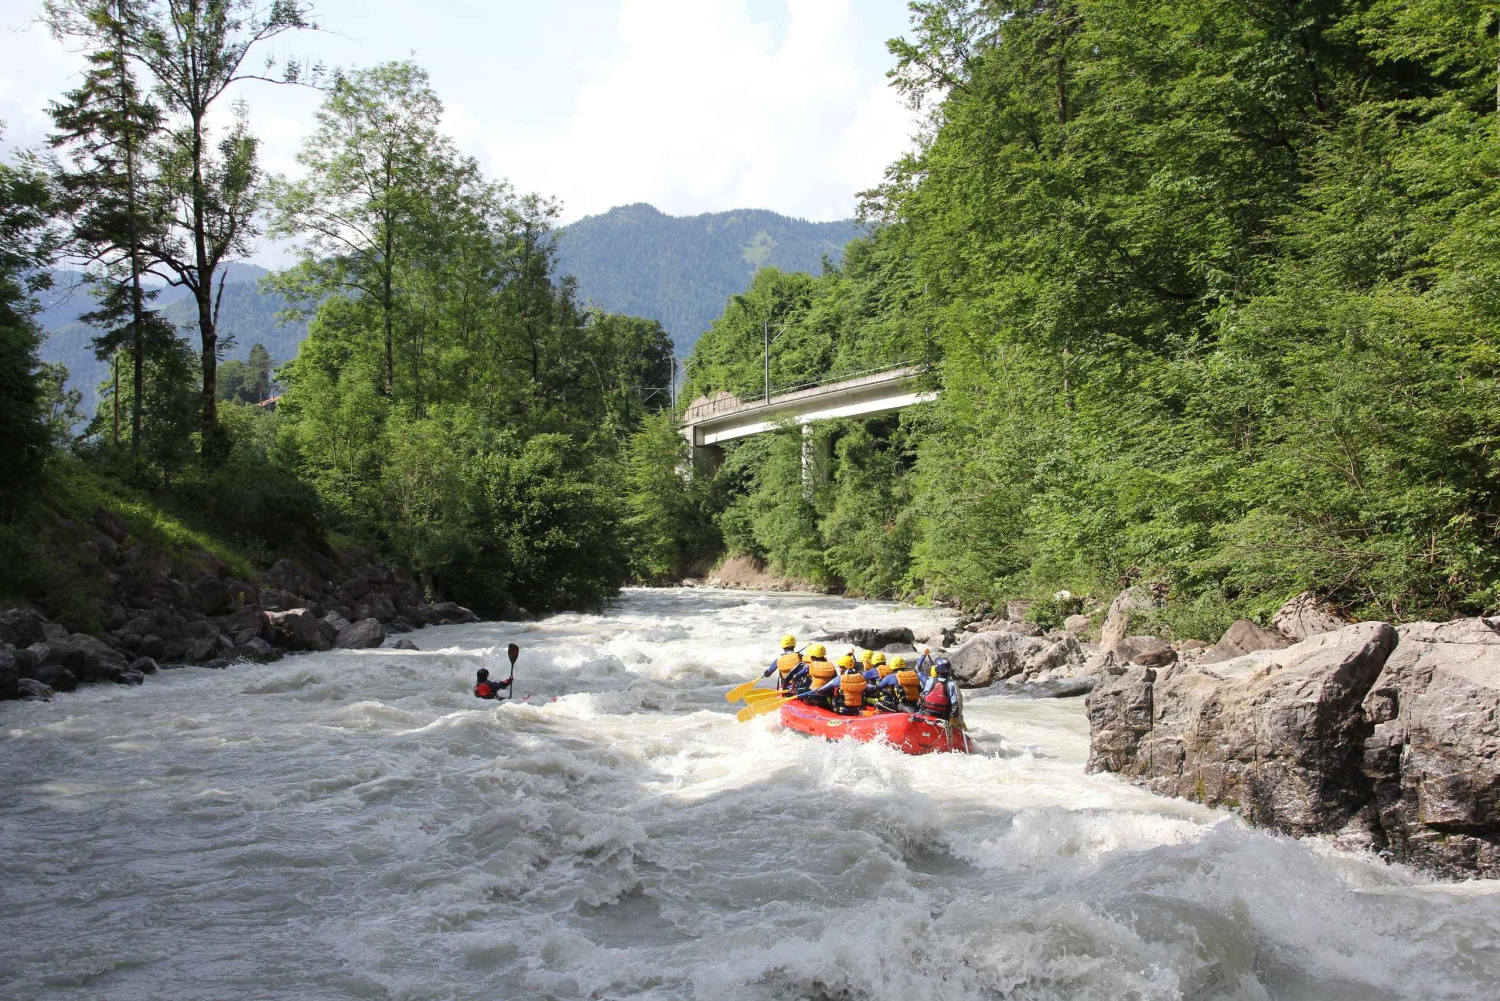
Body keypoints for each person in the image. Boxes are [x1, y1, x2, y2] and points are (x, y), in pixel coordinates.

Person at [918, 658, 963, 727]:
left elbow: (918, 669)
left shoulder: (929, 681)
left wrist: (923, 655)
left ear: (936, 670)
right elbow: (957, 705)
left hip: (926, 715)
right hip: (943, 718)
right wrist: (957, 720)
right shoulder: (952, 684)